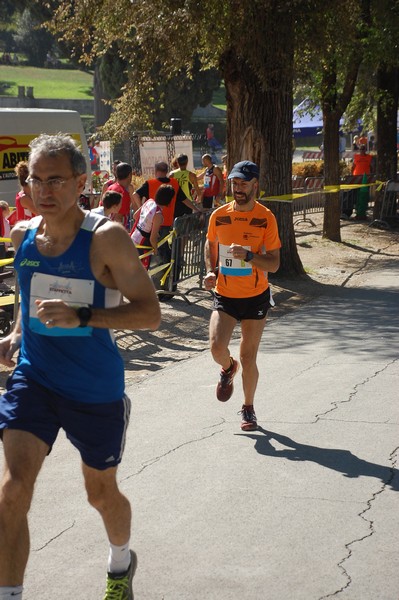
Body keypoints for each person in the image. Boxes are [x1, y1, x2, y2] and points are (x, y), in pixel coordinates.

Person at [0, 133, 161, 600]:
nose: (44, 191)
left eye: (56, 180)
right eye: (36, 180)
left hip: (93, 387)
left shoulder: (105, 238)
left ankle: (120, 564)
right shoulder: (23, 236)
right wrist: (16, 333)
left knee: (100, 494)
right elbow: (29, 299)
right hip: (34, 380)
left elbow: (150, 313)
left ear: (81, 181)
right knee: (11, 492)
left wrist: (85, 316)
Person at [204, 160, 281, 431]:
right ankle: (228, 368)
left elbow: (274, 263)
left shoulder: (265, 217)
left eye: (243, 184)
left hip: (255, 296)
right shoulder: (219, 215)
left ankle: (248, 408)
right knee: (216, 347)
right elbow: (210, 243)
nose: (238, 188)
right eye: (234, 183)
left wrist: (249, 256)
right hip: (225, 293)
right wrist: (210, 271)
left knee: (249, 357)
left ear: (255, 185)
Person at [131, 184, 175, 270]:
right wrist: (156, 250)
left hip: (134, 237)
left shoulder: (149, 201)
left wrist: (145, 223)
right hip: (143, 244)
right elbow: (152, 238)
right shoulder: (158, 215)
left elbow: (135, 216)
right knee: (141, 272)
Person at [107, 162, 136, 228]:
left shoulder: (111, 187)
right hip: (115, 232)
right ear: (129, 175)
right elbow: (118, 218)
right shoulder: (122, 194)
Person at [352, 145, 373, 220]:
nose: (362, 150)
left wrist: (371, 176)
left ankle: (363, 212)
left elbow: (371, 167)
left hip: (365, 179)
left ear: (365, 150)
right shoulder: (356, 157)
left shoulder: (369, 157)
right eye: (361, 149)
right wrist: (352, 176)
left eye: (363, 149)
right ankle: (358, 212)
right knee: (357, 196)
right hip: (357, 179)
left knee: (364, 196)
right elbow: (353, 166)